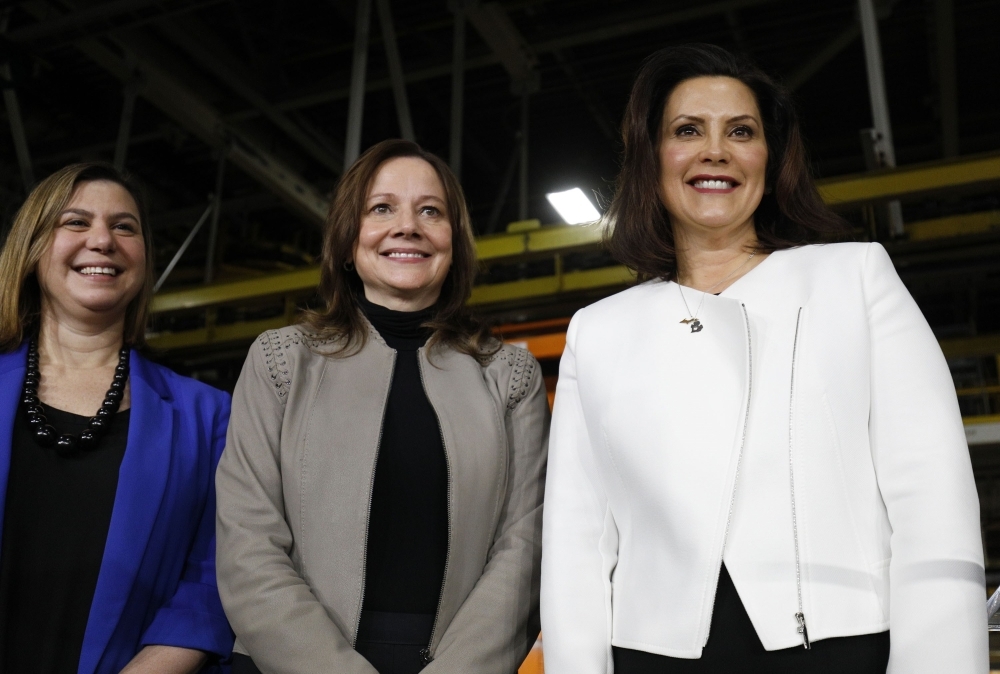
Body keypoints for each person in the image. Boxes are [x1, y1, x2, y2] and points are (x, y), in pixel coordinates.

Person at [540, 43, 986, 674]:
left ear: (770, 159)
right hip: (655, 655)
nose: (713, 151)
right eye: (687, 131)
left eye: (740, 132)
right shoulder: (599, 330)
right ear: (653, 158)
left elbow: (932, 495)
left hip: (837, 649)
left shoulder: (854, 278)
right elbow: (575, 543)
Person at [216, 139, 549, 674]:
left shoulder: (511, 376)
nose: (407, 226)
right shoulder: (279, 361)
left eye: (431, 211)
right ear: (348, 241)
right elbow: (247, 545)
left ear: (454, 243)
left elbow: (525, 548)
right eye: (381, 208)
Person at [0, 163, 233, 673]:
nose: (102, 240)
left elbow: (212, 583)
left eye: (125, 227)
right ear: (33, 248)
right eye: (76, 222)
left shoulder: (209, 417)